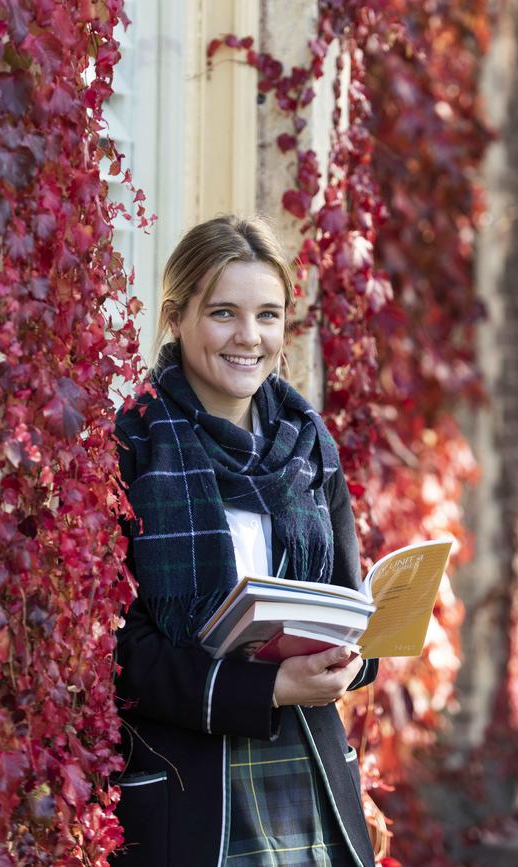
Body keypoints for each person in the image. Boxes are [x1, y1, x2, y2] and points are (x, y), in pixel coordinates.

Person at [111, 215, 378, 867]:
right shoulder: (129, 449)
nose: (248, 337)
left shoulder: (309, 444)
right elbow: (121, 655)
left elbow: (349, 608)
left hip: (309, 775)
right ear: (177, 317)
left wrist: (354, 658)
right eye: (224, 312)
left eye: (267, 314)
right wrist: (267, 688)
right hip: (194, 792)